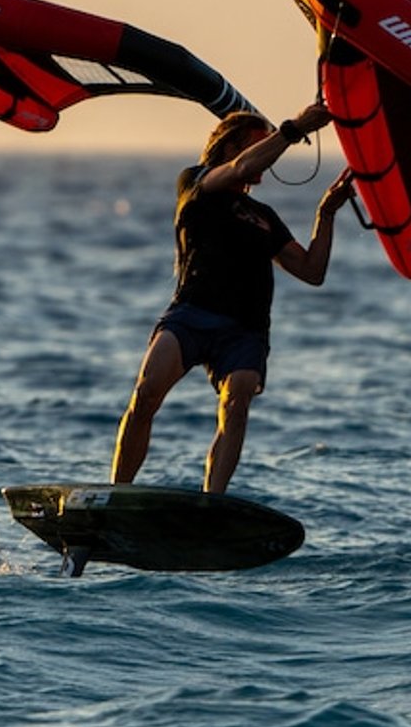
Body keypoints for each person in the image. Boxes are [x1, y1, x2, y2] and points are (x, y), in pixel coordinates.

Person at [112, 102, 354, 494]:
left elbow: (312, 271)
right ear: (230, 148)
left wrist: (325, 214)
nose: (268, 156)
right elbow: (241, 169)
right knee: (146, 393)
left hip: (245, 329)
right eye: (260, 145)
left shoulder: (265, 216)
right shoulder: (195, 182)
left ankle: (213, 503)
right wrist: (295, 129)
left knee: (236, 400)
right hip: (192, 313)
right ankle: (117, 492)